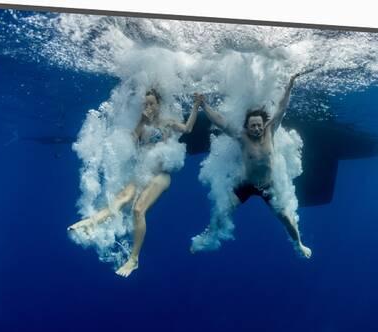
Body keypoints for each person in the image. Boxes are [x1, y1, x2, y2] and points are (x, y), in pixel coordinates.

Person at [68, 89, 202, 277]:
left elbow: (187, 128)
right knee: (121, 198)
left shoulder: (167, 123)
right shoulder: (142, 124)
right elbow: (132, 140)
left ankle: (133, 259)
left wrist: (196, 106)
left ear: (158, 105)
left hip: (160, 176)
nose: (148, 107)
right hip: (141, 172)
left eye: (151, 104)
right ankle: (92, 222)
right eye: (145, 104)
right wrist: (142, 120)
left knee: (138, 210)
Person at [192, 69, 316, 258]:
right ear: (247, 127)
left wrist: (290, 85)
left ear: (263, 124)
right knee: (221, 212)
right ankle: (206, 236)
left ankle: (299, 244)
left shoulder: (270, 131)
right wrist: (203, 105)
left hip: (268, 186)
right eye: (253, 126)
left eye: (259, 125)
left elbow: (282, 107)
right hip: (246, 185)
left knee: (286, 219)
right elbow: (221, 121)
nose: (257, 128)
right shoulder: (242, 137)